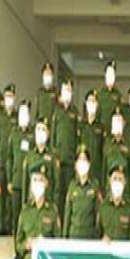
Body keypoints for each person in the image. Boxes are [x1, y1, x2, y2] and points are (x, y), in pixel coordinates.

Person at [7, 100, 34, 259]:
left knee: (29, 218)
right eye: (21, 112)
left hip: (30, 184)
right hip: (17, 182)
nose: (24, 116)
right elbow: (9, 158)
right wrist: (10, 179)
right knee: (16, 219)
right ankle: (18, 252)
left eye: (26, 113)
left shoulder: (33, 134)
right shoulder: (14, 134)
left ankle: (28, 253)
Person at [50, 78, 78, 214]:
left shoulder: (75, 112)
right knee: (57, 191)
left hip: (70, 160)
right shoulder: (57, 111)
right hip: (58, 159)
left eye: (69, 90)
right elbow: (53, 136)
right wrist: (53, 155)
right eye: (65, 90)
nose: (67, 93)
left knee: (68, 191)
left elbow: (77, 136)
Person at [22, 118, 62, 212]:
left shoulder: (53, 157)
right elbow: (25, 183)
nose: (40, 132)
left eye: (43, 129)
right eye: (38, 129)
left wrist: (55, 205)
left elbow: (57, 184)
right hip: (32, 204)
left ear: (48, 134)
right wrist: (24, 204)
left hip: (48, 203)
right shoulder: (29, 156)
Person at [63, 147, 102, 239]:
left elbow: (98, 213)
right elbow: (67, 213)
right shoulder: (72, 185)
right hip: (74, 234)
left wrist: (98, 235)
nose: (82, 163)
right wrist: (65, 236)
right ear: (76, 164)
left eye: (84, 159)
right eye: (79, 160)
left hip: (89, 235)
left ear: (89, 163)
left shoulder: (94, 185)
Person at [0, 84, 18, 235]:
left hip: (13, 162)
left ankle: (9, 224)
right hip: (2, 160)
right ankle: (1, 224)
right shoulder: (1, 117)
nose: (9, 99)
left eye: (11, 96)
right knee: (1, 193)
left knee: (11, 195)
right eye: (7, 96)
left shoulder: (17, 117)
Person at [102, 110, 130, 200]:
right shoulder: (107, 143)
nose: (117, 124)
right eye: (115, 121)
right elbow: (104, 167)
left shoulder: (128, 143)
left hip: (125, 183)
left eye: (119, 121)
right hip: (110, 183)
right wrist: (103, 188)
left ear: (123, 124)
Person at [97, 164, 130, 241]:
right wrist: (102, 238)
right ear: (110, 181)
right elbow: (97, 232)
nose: (117, 182)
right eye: (114, 178)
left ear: (125, 182)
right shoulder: (103, 206)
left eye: (120, 179)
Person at [78, 91, 106, 185]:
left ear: (97, 105)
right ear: (86, 104)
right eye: (89, 101)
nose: (91, 104)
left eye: (94, 101)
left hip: (97, 167)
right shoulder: (81, 125)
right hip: (83, 166)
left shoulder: (101, 127)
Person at [97, 60, 124, 126]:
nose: (110, 76)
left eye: (113, 74)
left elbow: (121, 112)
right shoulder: (99, 94)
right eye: (109, 74)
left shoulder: (118, 94)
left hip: (114, 128)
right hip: (101, 127)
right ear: (105, 75)